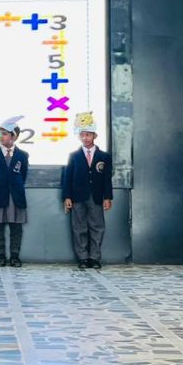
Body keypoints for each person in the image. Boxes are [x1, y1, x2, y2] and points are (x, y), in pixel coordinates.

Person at [62, 111, 113, 269]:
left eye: (88, 135)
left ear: (95, 136)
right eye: (82, 135)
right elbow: (67, 178)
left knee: (97, 227)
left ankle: (94, 258)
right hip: (78, 196)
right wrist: (67, 197)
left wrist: (107, 197)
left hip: (96, 196)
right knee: (79, 228)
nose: (85, 138)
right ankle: (83, 258)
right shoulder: (74, 156)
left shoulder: (104, 156)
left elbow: (107, 179)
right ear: (79, 136)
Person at [0, 116, 29, 267]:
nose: (0, 137)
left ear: (13, 136)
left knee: (16, 227)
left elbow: (23, 175)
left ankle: (15, 256)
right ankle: (0, 256)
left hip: (15, 196)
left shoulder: (22, 155)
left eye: (4, 134)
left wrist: (15, 186)